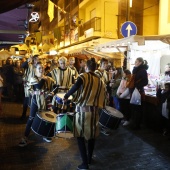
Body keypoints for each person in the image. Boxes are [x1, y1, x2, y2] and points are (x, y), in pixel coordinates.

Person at [63, 58, 106, 170]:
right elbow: (104, 97)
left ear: (86, 67)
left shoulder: (83, 76)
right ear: (95, 68)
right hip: (94, 113)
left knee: (80, 137)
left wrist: (67, 96)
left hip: (82, 112)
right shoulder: (100, 81)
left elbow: (76, 86)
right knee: (91, 137)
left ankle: (84, 164)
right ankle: (90, 159)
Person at [18, 62, 55, 147]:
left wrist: (52, 92)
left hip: (45, 100)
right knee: (31, 118)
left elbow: (55, 85)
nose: (41, 69)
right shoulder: (33, 78)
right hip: (36, 100)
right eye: (39, 68)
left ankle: (45, 135)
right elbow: (38, 86)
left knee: (46, 117)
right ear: (35, 69)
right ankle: (25, 137)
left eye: (42, 68)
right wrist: (44, 78)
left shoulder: (47, 78)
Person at [129, 57, 148, 130]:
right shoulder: (136, 70)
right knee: (134, 107)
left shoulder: (143, 71)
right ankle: (134, 123)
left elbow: (145, 82)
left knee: (138, 108)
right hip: (134, 91)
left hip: (138, 91)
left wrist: (137, 86)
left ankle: (137, 125)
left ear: (140, 62)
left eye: (136, 62)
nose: (135, 63)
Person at [20, 54, 40, 120]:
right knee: (26, 100)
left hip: (36, 85)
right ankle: (23, 114)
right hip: (28, 86)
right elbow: (22, 66)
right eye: (36, 59)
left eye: (38, 59)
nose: (38, 60)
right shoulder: (29, 65)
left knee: (35, 100)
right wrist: (28, 60)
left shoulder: (39, 67)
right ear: (34, 60)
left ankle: (33, 115)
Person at [95, 58, 111, 136]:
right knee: (98, 111)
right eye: (104, 64)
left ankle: (102, 127)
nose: (106, 65)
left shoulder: (105, 72)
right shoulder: (96, 72)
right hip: (98, 95)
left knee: (104, 110)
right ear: (100, 64)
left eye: (106, 63)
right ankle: (98, 127)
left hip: (104, 95)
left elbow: (106, 83)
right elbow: (99, 84)